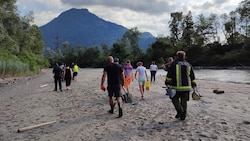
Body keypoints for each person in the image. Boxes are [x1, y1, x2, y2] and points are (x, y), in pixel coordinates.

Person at [165, 51, 196, 120]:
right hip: (187, 87)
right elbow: (192, 76)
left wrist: (167, 82)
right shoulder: (188, 64)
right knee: (184, 102)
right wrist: (193, 84)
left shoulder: (174, 64)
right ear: (184, 56)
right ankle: (183, 115)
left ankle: (180, 111)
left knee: (174, 99)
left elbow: (169, 74)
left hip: (176, 87)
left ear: (177, 56)